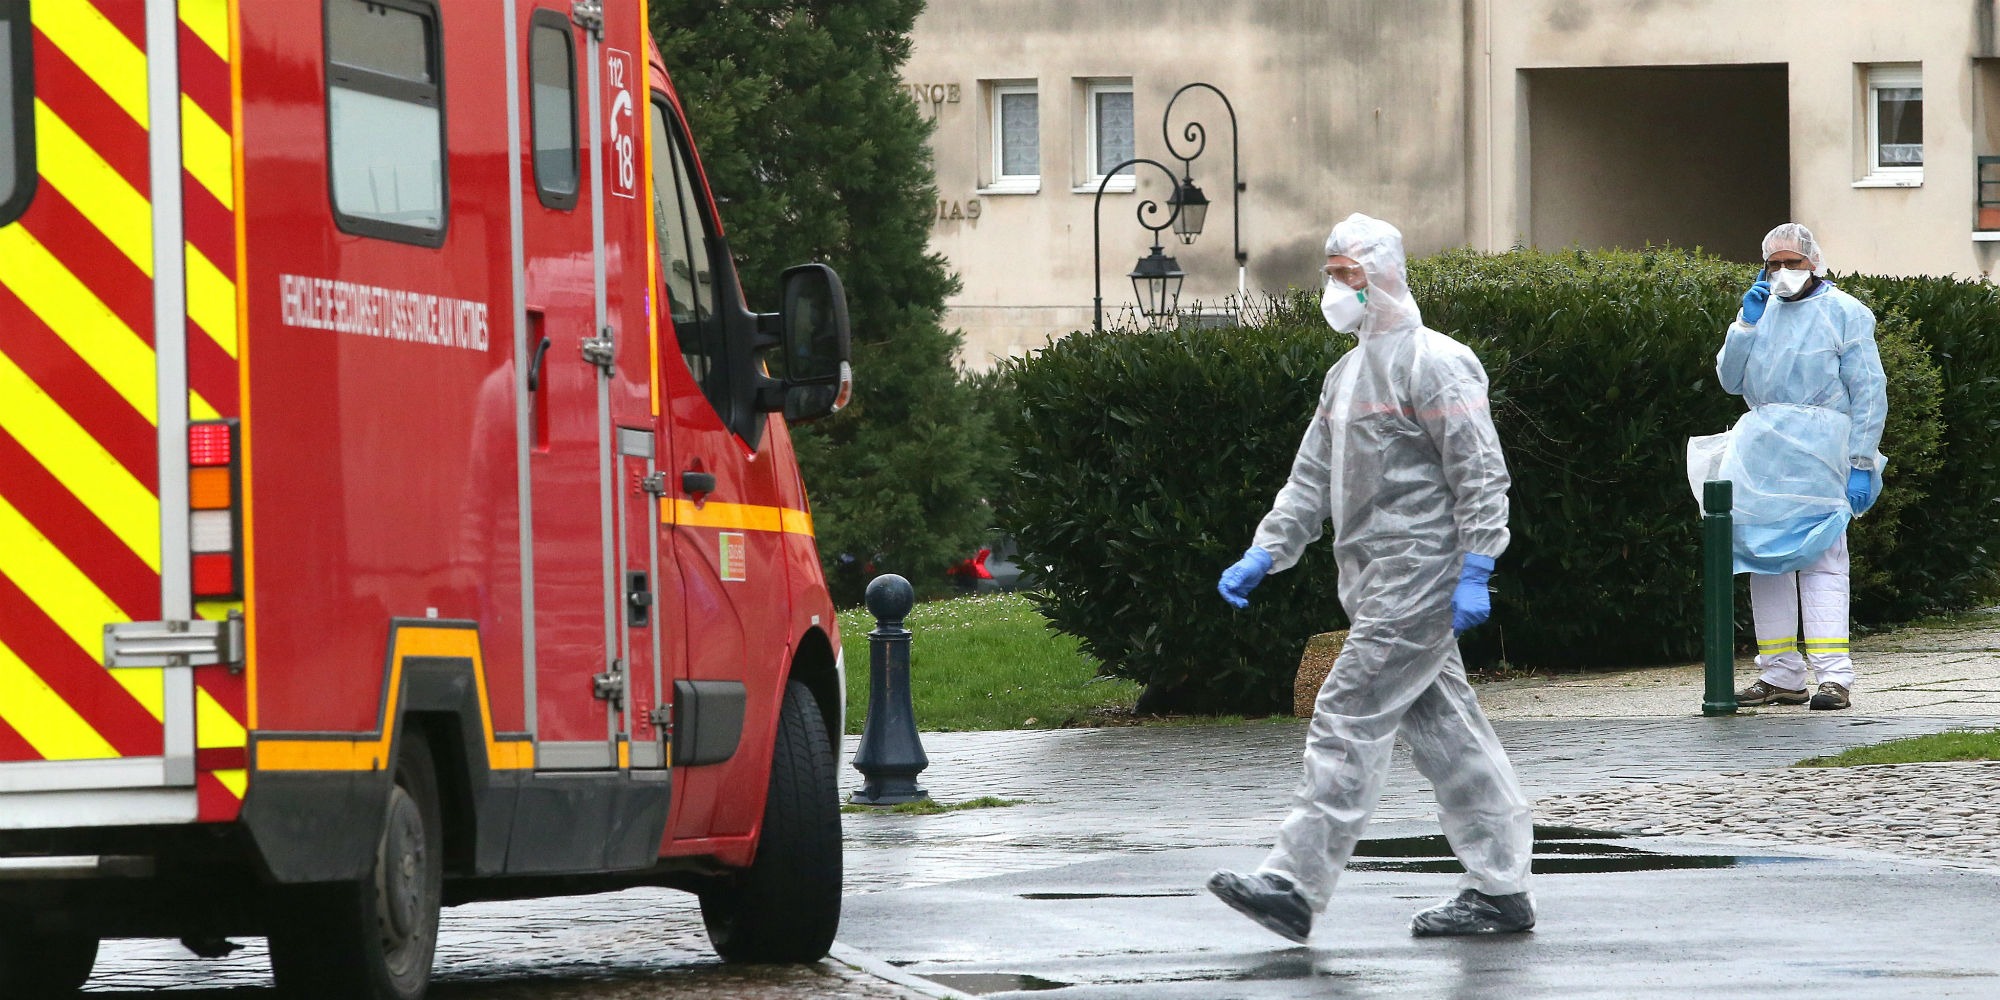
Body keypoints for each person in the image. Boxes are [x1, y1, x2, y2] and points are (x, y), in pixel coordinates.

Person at [1206, 214, 1535, 944]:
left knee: (1346, 711)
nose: (1335, 286)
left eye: (1348, 273)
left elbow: (1480, 473)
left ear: (1382, 274)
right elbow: (1310, 480)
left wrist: (1478, 562)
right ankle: (1501, 887)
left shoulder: (1436, 362)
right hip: (1378, 581)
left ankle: (1294, 882)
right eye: (1329, 272)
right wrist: (1265, 551)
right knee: (1450, 732)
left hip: (1421, 578)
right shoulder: (1346, 376)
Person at [1709, 223, 1886, 712]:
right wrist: (1742, 327)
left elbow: (1869, 392)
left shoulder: (1845, 313)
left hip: (1820, 451)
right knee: (1764, 561)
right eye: (1774, 263)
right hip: (1763, 452)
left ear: (1815, 262)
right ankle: (1781, 676)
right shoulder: (1757, 311)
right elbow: (1728, 380)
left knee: (1823, 562)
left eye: (1794, 262)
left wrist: (1861, 460)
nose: (1783, 272)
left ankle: (1834, 679)